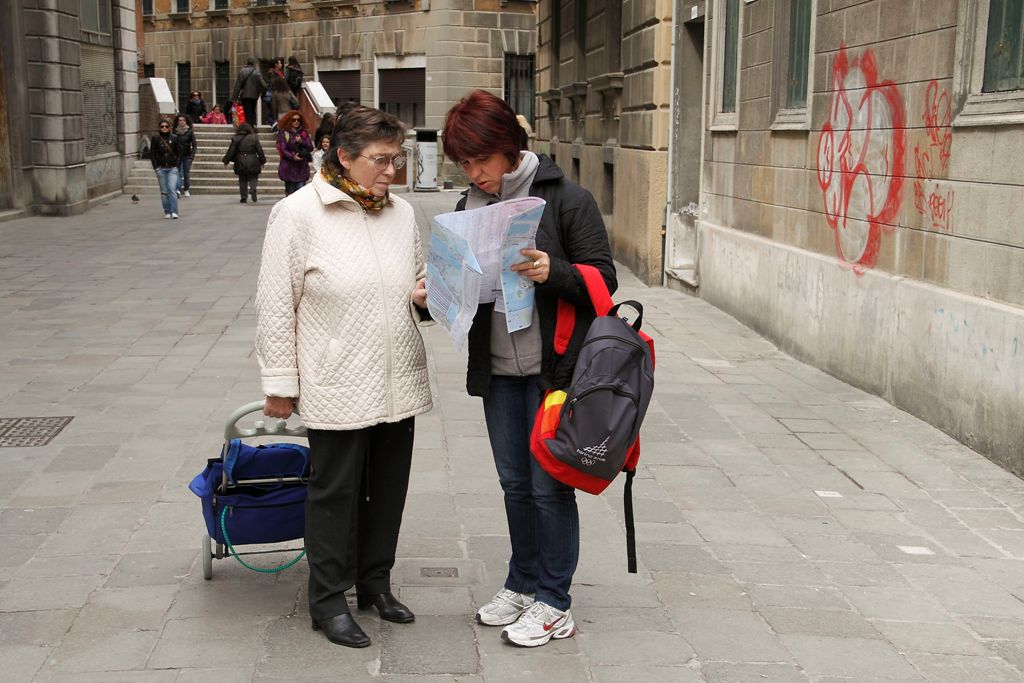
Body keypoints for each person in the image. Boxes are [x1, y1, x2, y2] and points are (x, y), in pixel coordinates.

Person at [441, 90, 616, 648]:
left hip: (554, 371)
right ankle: (521, 581)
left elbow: (604, 282)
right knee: (514, 484)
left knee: (548, 487)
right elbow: (459, 285)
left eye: (482, 160)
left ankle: (554, 599)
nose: (476, 173)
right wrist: (435, 292)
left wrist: (552, 271)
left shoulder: (568, 200)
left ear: (511, 148)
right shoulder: (468, 207)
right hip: (496, 367)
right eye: (465, 163)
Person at [255, 105, 429, 649]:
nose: (392, 171)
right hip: (336, 377)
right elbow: (276, 304)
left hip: (397, 373)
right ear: (343, 156)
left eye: (397, 158)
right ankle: (328, 599)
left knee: (389, 488)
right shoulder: (297, 214)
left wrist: (427, 297)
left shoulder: (400, 214)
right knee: (335, 493)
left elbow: (419, 281)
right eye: (380, 159)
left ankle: (375, 583)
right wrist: (280, 384)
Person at [222, 122, 266, 204]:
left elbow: (231, 151)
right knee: (253, 176)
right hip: (252, 158)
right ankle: (253, 189)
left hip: (240, 159)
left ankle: (243, 197)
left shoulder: (236, 138)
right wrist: (262, 160)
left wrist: (226, 160)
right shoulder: (254, 138)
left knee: (242, 179)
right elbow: (260, 150)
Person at [149, 118, 181, 219]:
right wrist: (156, 167)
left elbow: (179, 153)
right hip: (161, 168)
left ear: (169, 128)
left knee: (172, 189)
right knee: (164, 191)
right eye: (162, 126)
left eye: (166, 126)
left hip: (172, 168)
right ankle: (167, 211)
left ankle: (174, 211)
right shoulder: (156, 138)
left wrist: (177, 165)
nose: (164, 128)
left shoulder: (175, 138)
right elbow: (152, 153)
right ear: (159, 128)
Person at [276, 110, 313, 195]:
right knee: (290, 193)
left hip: (301, 167)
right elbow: (283, 149)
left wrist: (301, 141)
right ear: (289, 120)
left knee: (301, 193)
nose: (296, 122)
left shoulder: (303, 132)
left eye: (298, 120)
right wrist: (292, 156)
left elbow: (310, 147)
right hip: (289, 167)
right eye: (294, 120)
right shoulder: (284, 133)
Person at [233, 58, 267, 129]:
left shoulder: (242, 72)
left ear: (247, 63)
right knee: (252, 111)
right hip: (255, 96)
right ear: (253, 64)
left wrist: (235, 98)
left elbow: (238, 86)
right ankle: (253, 126)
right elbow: (263, 85)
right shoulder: (257, 72)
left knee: (247, 112)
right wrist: (260, 92)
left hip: (245, 96)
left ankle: (250, 127)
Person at [173, 114, 197, 198]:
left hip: (187, 156)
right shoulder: (174, 131)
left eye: (183, 120)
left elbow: (194, 145)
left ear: (186, 121)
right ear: (178, 121)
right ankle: (178, 190)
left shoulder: (190, 131)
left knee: (186, 173)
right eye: (180, 120)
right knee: (178, 173)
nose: (182, 122)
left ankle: (186, 189)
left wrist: (192, 156)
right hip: (177, 156)